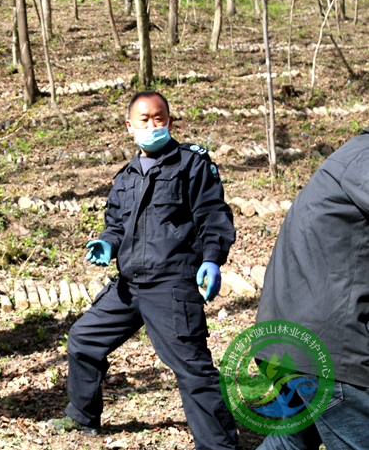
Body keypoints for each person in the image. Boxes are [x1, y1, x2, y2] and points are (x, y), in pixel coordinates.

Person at [50, 91, 238, 450]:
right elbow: (117, 224)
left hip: (171, 285)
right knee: (84, 340)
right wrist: (108, 243)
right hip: (128, 285)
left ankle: (219, 446)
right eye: (144, 120)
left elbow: (214, 216)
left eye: (159, 118)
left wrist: (213, 258)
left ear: (169, 120)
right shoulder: (126, 176)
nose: (153, 125)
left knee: (192, 369)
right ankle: (82, 416)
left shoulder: (191, 164)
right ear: (129, 126)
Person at [252, 127, 369, 450]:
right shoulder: (364, 159)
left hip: (294, 341)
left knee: (291, 442)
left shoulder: (352, 154)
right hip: (328, 350)